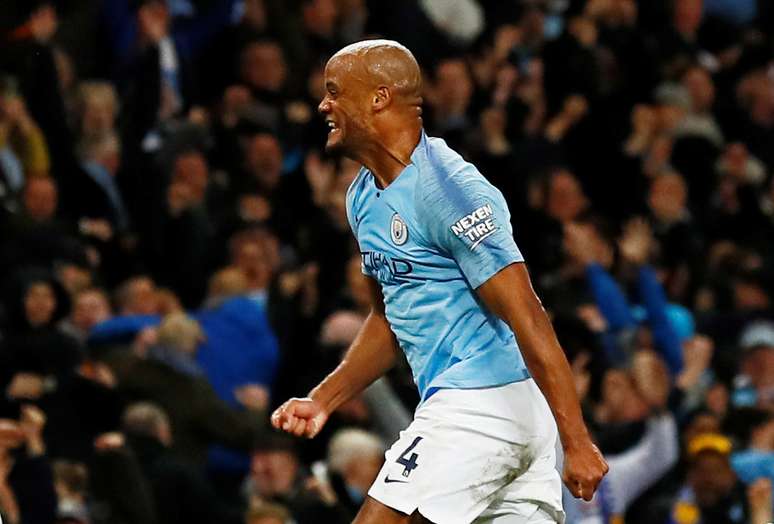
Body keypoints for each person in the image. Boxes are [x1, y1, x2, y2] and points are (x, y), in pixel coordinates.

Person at [271, 39, 608, 523]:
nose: (323, 105)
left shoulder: (449, 191)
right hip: (497, 417)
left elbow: (527, 312)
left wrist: (577, 440)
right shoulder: (362, 196)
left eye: (334, 91)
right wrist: (324, 399)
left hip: (480, 404)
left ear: (379, 98)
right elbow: (390, 320)